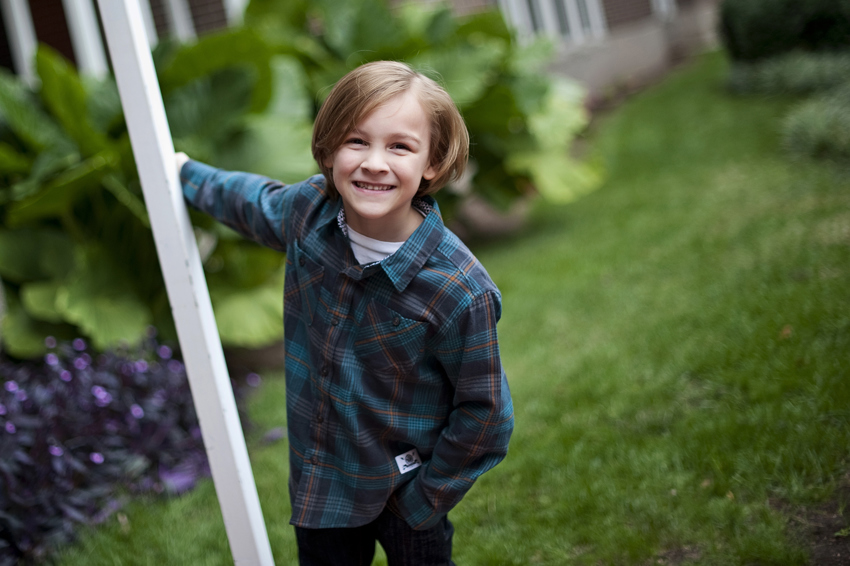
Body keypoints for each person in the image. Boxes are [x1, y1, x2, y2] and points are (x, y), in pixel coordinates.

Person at [176, 60, 514, 566]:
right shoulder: (307, 213)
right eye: (357, 141)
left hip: (406, 490)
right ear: (329, 149)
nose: (374, 162)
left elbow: (485, 415)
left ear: (433, 163)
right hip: (324, 482)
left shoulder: (458, 290)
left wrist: (423, 502)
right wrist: (181, 173)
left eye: (399, 146)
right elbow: (250, 202)